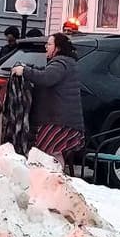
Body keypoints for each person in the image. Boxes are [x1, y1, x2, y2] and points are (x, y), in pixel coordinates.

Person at [10, 32, 85, 165]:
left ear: (58, 47)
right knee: (53, 152)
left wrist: (25, 71)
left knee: (46, 152)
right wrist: (31, 68)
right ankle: (56, 179)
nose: (46, 47)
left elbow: (46, 78)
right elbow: (45, 72)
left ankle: (54, 180)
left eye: (49, 44)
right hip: (62, 120)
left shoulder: (60, 63)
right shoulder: (66, 63)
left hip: (59, 121)